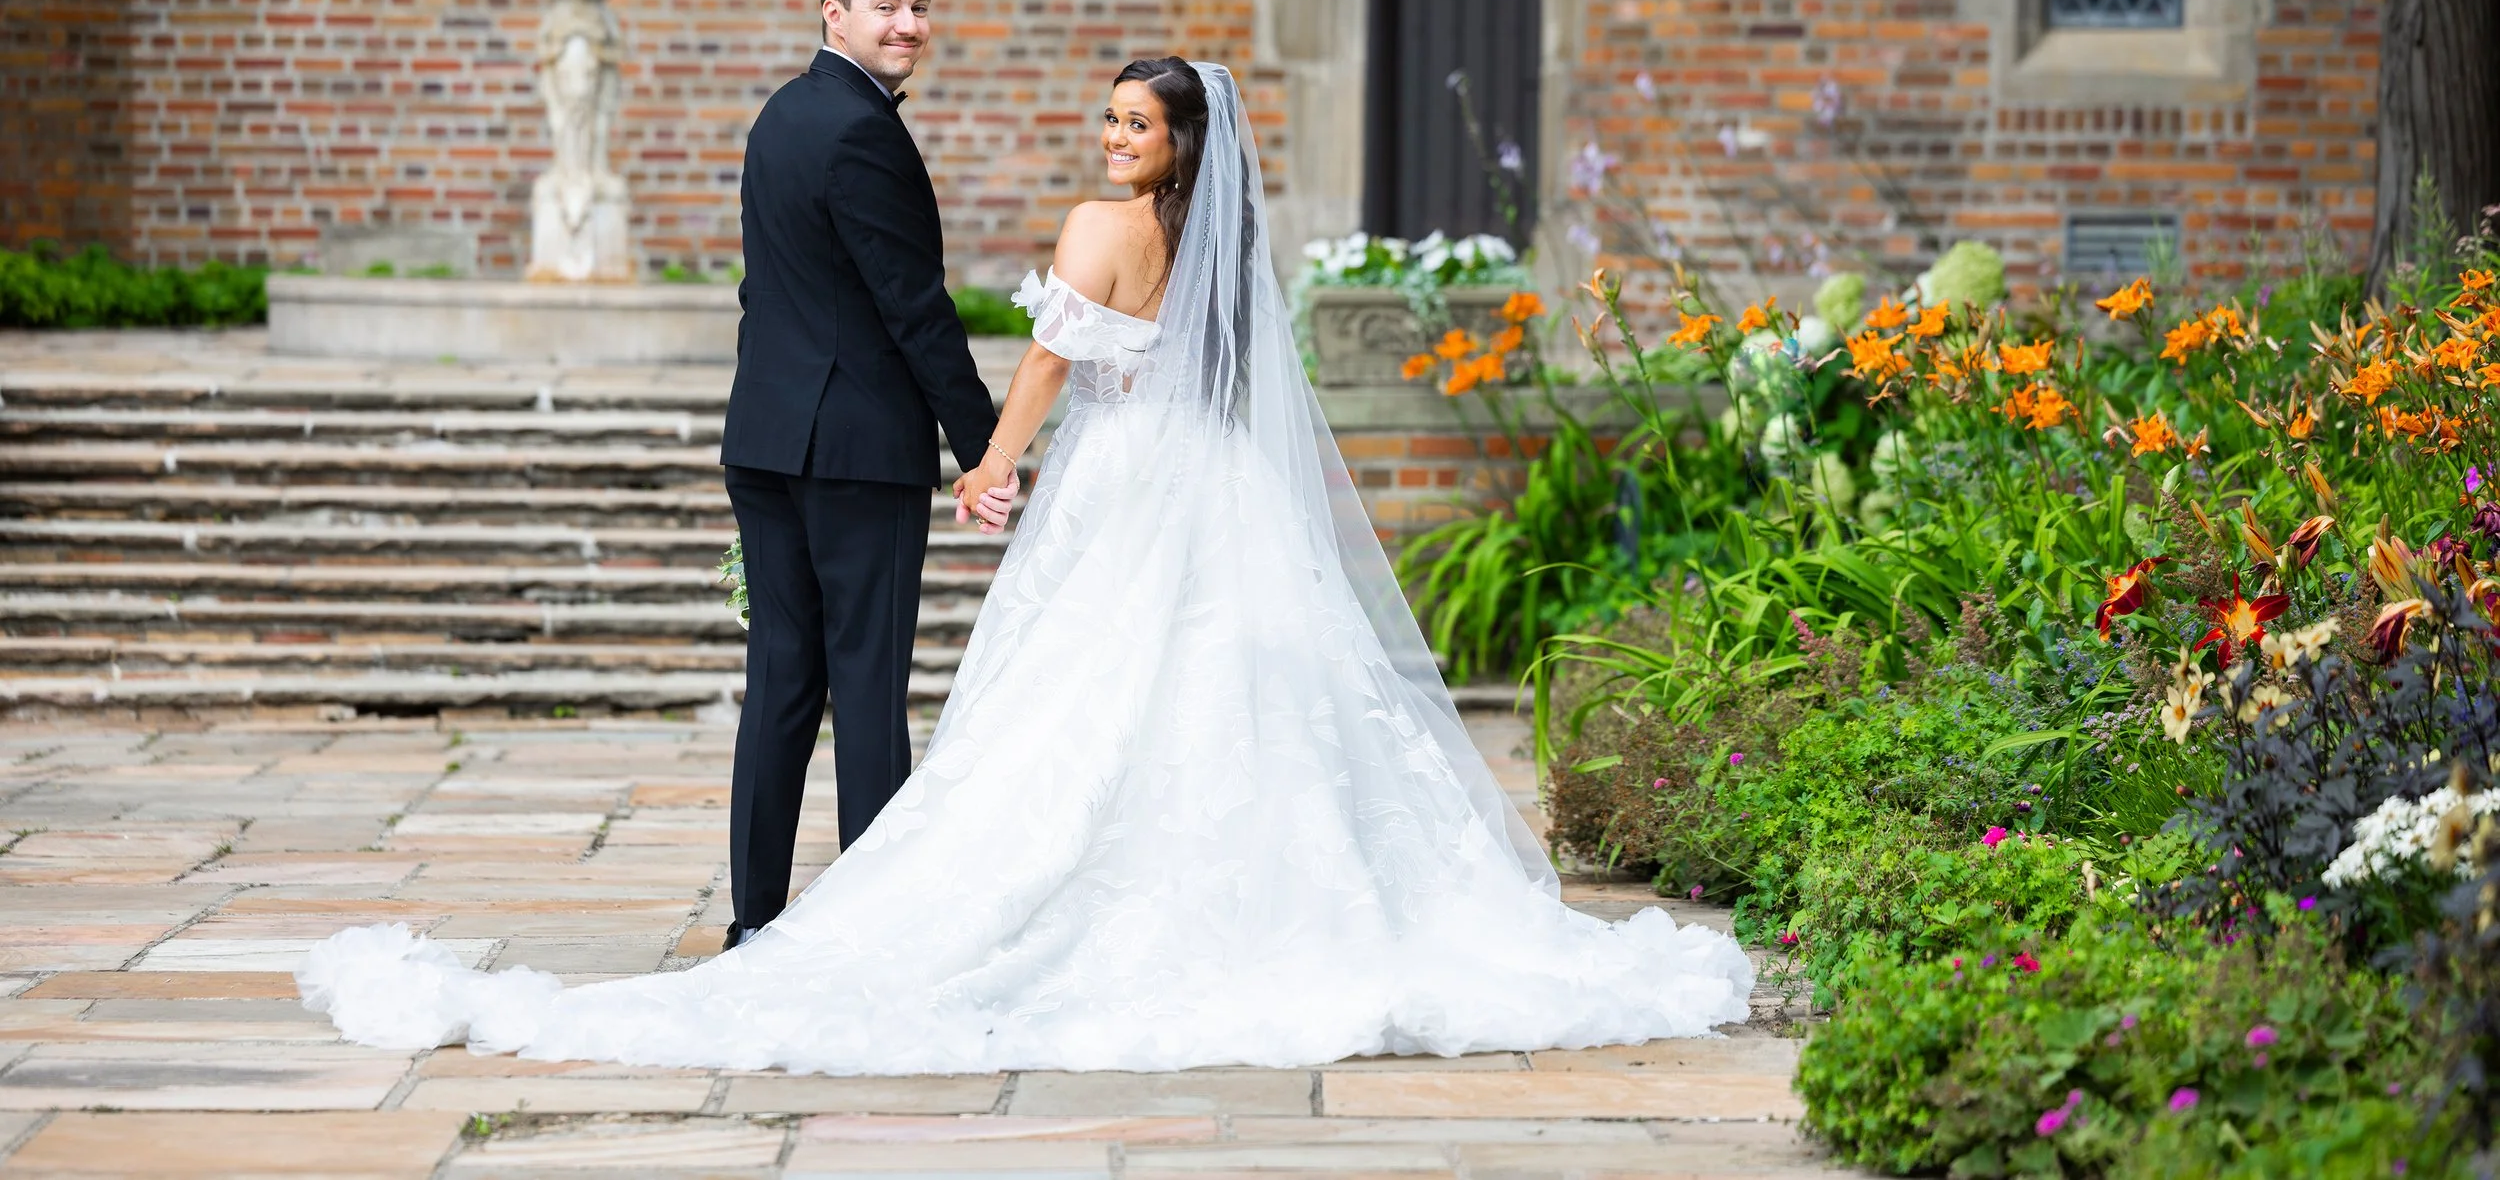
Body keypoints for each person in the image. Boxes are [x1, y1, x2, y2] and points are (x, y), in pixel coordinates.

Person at [298, 57, 1754, 1072]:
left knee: (1081, 698)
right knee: (1223, 696)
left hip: (1119, 487)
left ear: (1181, 143)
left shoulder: (1101, 227)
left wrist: (988, 466)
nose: (1114, 136)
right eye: (1109, 118)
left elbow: (1052, 364)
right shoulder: (1220, 240)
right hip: (1213, 489)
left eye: (1137, 123)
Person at [712, 0, 1007, 952]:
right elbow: (912, 306)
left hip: (766, 437)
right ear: (832, 11)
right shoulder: (862, 130)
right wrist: (987, 445)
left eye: (920, 5)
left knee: (782, 682)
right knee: (869, 684)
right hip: (855, 448)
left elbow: (768, 288)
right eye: (887, 4)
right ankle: (872, 935)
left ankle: (755, 920)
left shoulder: (781, 115)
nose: (910, 23)